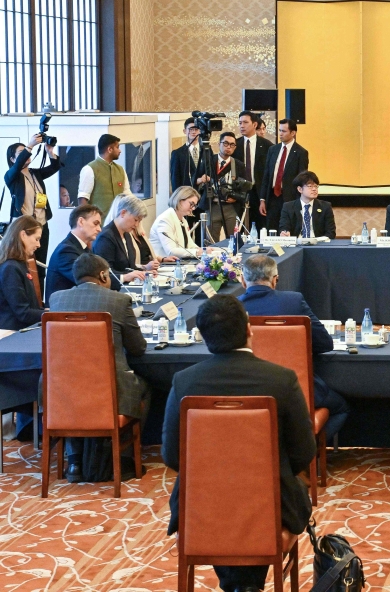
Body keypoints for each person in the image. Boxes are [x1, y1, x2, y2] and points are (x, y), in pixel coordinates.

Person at [162, 295, 315, 592]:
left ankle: (237, 585)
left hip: (201, 508)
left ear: (203, 336)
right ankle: (245, 585)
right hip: (271, 504)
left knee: (223, 503)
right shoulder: (280, 380)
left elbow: (172, 456)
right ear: (249, 329)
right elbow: (304, 452)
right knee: (261, 500)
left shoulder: (185, 382)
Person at [49, 253, 150, 483]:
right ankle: (114, 459)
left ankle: (74, 462)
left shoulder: (56, 300)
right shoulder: (118, 301)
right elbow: (137, 349)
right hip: (109, 394)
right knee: (144, 387)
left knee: (73, 390)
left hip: (60, 393)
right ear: (104, 274)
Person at [238, 254, 349, 437]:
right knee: (340, 408)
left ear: (242, 281)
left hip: (247, 390)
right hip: (296, 389)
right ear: (276, 280)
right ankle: (306, 455)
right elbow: (325, 343)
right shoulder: (293, 301)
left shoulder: (235, 307)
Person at [5, 134, 61, 279]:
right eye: (21, 153)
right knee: (25, 266)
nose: (27, 154)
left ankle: (39, 299)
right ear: (12, 159)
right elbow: (17, 167)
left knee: (41, 266)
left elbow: (55, 167)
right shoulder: (12, 177)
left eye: (26, 151)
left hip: (42, 225)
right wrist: (30, 146)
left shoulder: (35, 173)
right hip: (25, 228)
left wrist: (50, 152)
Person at [45, 203, 105, 302]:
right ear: (81, 222)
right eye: (95, 223)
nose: (99, 229)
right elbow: (88, 282)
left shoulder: (83, 248)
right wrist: (122, 278)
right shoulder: (66, 251)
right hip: (64, 311)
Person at [259, 118, 309, 233]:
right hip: (272, 197)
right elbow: (266, 175)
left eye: (284, 131)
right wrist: (262, 199)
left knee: (287, 229)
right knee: (271, 229)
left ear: (293, 133)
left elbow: (302, 179)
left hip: (289, 198)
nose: (280, 134)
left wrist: (299, 201)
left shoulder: (301, 152)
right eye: (280, 130)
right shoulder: (273, 149)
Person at [93, 194, 157, 282]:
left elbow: (130, 268)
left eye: (139, 221)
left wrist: (145, 272)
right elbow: (106, 273)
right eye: (135, 220)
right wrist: (126, 277)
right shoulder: (106, 237)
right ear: (123, 213)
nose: (137, 225)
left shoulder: (127, 234)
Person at [0, 216, 45, 331]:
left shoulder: (18, 265)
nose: (39, 245)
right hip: (11, 334)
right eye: (36, 239)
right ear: (23, 235)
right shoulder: (10, 268)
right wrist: (53, 315)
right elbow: (23, 312)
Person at [78, 134, 130, 223]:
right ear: (110, 149)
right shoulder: (89, 169)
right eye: (117, 147)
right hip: (99, 225)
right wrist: (89, 222)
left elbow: (128, 195)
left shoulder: (120, 170)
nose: (120, 151)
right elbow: (82, 199)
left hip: (118, 224)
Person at [237, 111, 273, 233]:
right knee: (240, 228)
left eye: (245, 122)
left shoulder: (268, 146)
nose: (242, 125)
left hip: (259, 193)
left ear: (254, 124)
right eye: (240, 123)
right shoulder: (235, 145)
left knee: (261, 228)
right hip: (239, 192)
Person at [206, 132, 246, 241]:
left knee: (233, 239)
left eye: (232, 145)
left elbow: (244, 188)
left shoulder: (239, 165)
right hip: (212, 205)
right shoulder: (208, 161)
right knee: (211, 240)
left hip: (231, 207)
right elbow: (197, 180)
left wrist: (235, 197)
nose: (228, 147)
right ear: (219, 144)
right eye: (226, 143)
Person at [279, 171, 336, 238]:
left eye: (316, 186)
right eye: (310, 186)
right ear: (300, 189)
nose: (314, 189)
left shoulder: (325, 207)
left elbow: (331, 233)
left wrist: (317, 241)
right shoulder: (288, 207)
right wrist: (285, 233)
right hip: (297, 245)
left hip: (318, 245)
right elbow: (284, 227)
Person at [150, 186, 203, 259]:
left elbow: (189, 244)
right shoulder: (165, 220)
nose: (193, 208)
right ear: (180, 201)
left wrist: (203, 251)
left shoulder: (183, 220)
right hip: (163, 264)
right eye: (191, 204)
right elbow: (171, 251)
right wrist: (197, 252)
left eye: (195, 205)